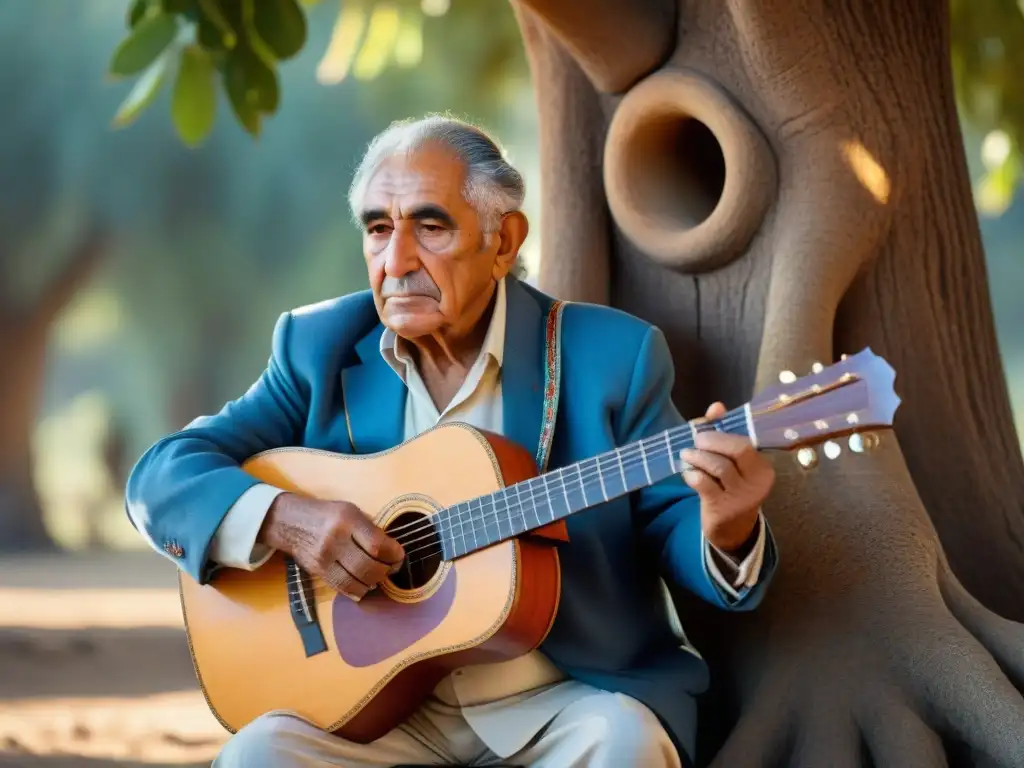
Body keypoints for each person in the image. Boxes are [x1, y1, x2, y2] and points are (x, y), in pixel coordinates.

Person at [125, 115, 779, 768]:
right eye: (379, 229)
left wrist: (726, 528)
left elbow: (673, 518)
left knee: (625, 742)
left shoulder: (608, 355)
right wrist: (288, 520)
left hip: (562, 707)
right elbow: (161, 477)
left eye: (430, 226)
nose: (397, 260)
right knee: (257, 755)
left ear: (503, 241)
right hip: (375, 720)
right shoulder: (316, 349)